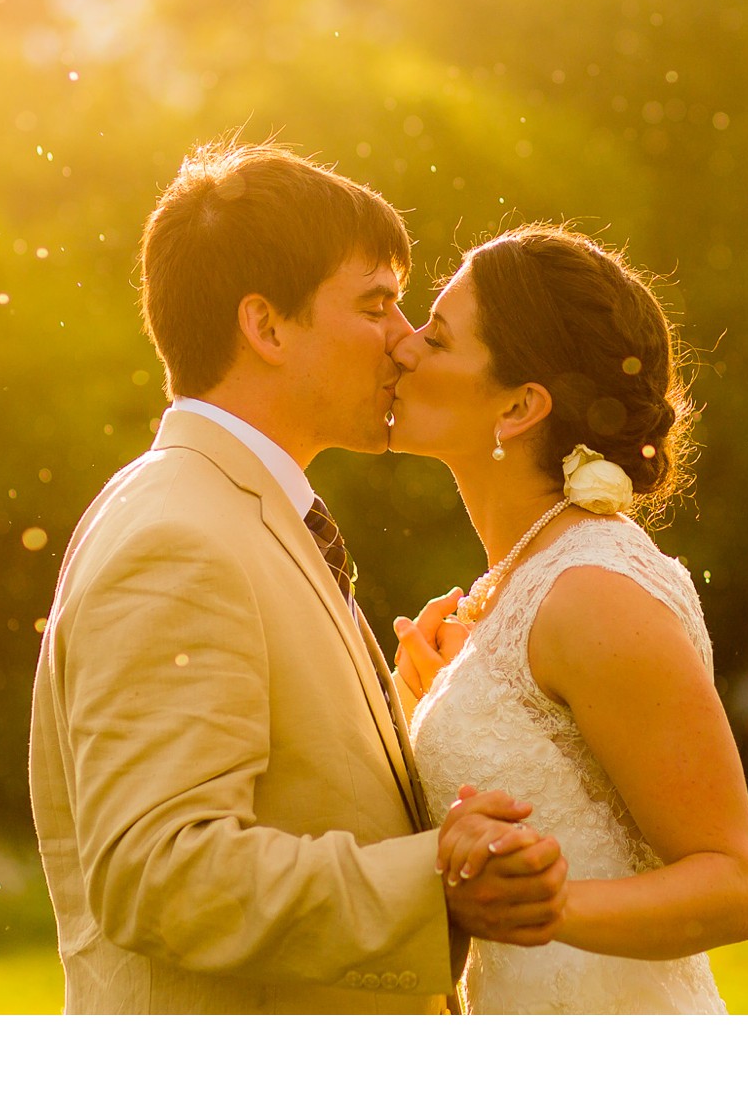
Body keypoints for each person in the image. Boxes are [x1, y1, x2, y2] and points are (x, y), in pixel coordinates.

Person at [29, 141, 568, 1014]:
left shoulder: (233, 510)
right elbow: (161, 871)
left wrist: (406, 711)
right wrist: (432, 879)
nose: (406, 341)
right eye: (376, 304)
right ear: (266, 326)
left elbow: (293, 791)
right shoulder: (177, 539)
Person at [388, 222, 748, 1013]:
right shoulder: (517, 585)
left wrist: (544, 908)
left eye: (437, 336)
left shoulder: (594, 589)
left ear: (521, 406)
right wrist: (427, 707)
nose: (403, 348)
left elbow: (735, 884)